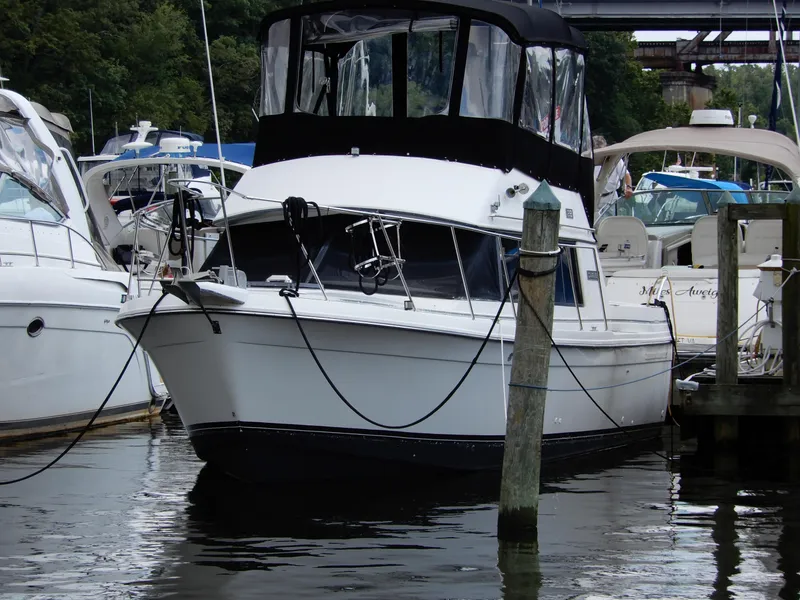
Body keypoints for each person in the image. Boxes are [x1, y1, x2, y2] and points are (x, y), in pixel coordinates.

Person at [592, 135, 632, 221]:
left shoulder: (615, 159)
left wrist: (628, 187)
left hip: (610, 197)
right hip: (593, 197)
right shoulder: (590, 158)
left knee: (610, 221)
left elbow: (626, 175)